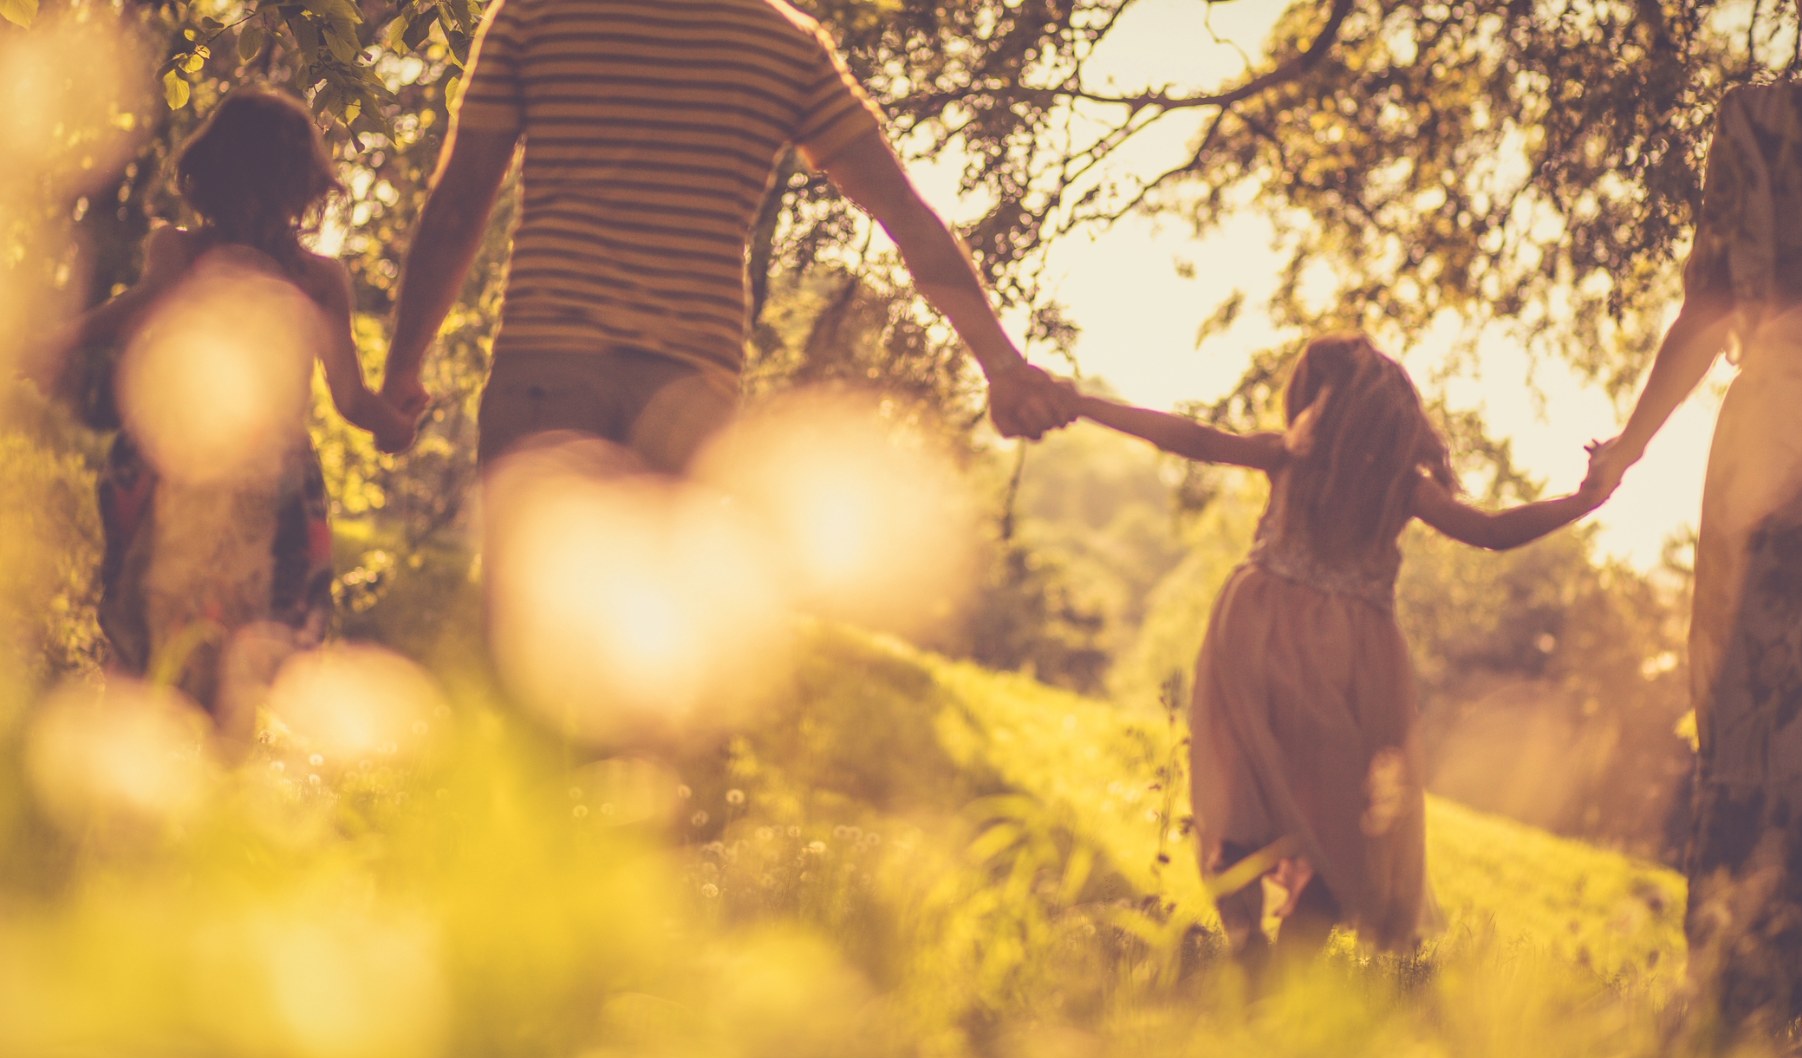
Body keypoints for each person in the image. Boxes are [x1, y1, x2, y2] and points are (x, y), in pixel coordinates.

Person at [1586, 0, 1802, 1054]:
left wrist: (1626, 450)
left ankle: (1737, 989)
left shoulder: (1761, 121)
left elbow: (1711, 307)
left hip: (1781, 445)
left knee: (1762, 720)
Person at [1070, 334, 1614, 971]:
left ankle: (1251, 948)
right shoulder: (1395, 485)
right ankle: (1289, 958)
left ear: (1322, 402)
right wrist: (1586, 499)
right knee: (1345, 817)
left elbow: (1189, 437)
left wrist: (1083, 404)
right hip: (1354, 655)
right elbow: (1489, 532)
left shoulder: (1290, 458)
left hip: (1259, 630)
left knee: (1243, 790)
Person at [377, 0, 1071, 471]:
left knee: (536, 663)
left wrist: (401, 369)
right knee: (653, 664)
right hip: (689, 399)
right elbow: (905, 216)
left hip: (549, 371)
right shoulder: (786, 43)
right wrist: (1002, 366)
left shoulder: (537, 11)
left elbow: (459, 204)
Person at [37, 87, 416, 737]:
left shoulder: (179, 253)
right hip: (270, 489)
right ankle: (223, 774)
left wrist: (55, 340)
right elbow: (351, 400)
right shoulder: (318, 279)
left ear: (207, 174)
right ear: (304, 187)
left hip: (175, 469)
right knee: (251, 646)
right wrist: (398, 426)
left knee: (152, 627)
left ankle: (137, 768)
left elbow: (133, 313)